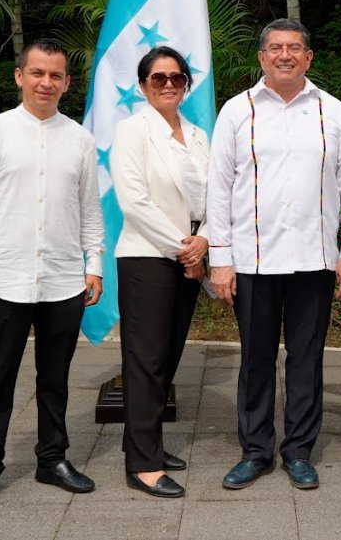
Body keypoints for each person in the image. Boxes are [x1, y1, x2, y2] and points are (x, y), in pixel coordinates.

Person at [207, 18, 341, 490]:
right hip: (253, 260)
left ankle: (298, 450)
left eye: (294, 47)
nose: (284, 55)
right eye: (275, 48)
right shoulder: (237, 111)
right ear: (262, 57)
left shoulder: (332, 112)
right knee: (255, 360)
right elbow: (218, 188)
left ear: (308, 57)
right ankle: (255, 451)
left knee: (306, 359)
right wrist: (220, 259)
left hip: (314, 259)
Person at [0, 39, 104, 511]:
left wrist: (93, 263)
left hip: (63, 280)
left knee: (55, 378)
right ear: (20, 76)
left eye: (56, 75)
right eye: (37, 73)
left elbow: (89, 210)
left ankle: (52, 458)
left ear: (66, 82)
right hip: (6, 281)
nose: (46, 82)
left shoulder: (79, 138)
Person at [110, 46, 209, 498]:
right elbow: (133, 202)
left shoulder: (199, 135)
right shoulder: (132, 132)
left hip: (189, 254)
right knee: (146, 361)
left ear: (186, 84)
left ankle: (145, 440)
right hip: (148, 257)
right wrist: (182, 249)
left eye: (176, 77)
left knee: (167, 357)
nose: (168, 84)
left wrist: (203, 240)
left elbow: (213, 199)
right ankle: (143, 464)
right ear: (143, 84)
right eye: (158, 78)